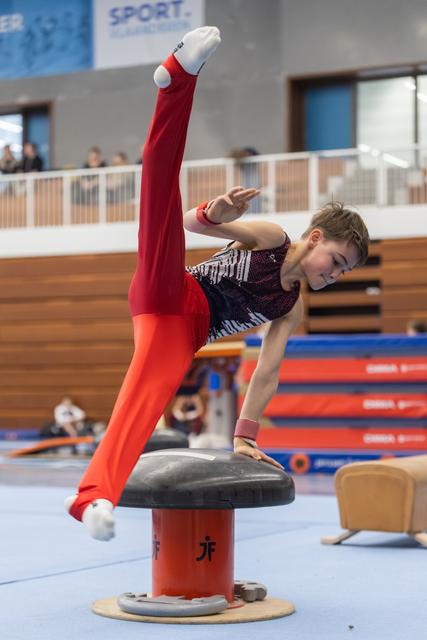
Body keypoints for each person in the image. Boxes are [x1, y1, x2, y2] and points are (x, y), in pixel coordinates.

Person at [65, 26, 369, 542]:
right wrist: (218, 211)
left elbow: (266, 374)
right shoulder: (272, 238)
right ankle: (177, 80)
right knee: (158, 190)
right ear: (314, 238)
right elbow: (190, 223)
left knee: (140, 399)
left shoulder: (290, 307)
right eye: (335, 260)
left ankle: (93, 499)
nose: (333, 275)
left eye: (343, 273)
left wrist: (245, 436)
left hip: (182, 335)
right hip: (172, 292)